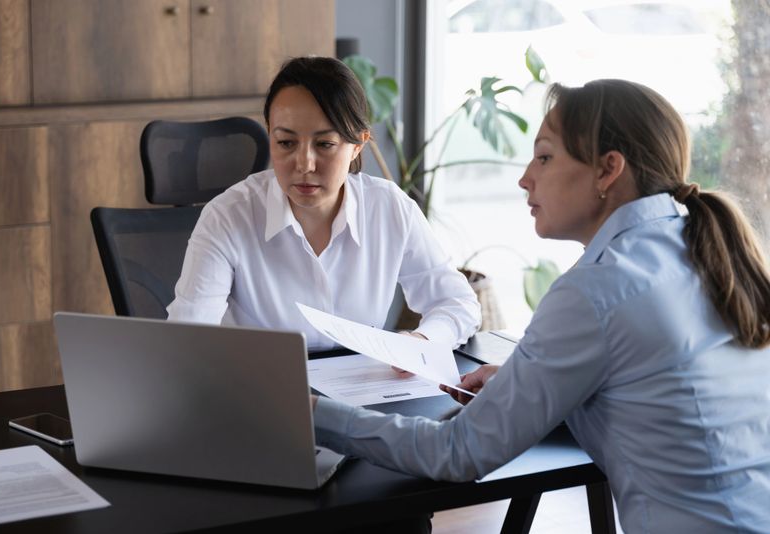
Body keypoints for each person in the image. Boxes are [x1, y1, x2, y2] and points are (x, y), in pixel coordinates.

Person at [313, 79, 770, 532]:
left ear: (607, 170)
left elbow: (456, 452)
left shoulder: (598, 289)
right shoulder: (702, 251)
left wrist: (312, 413)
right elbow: (651, 388)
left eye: (545, 157)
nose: (525, 177)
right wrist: (530, 379)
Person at [166, 56, 480, 350]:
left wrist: (422, 341)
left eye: (325, 144)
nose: (304, 164)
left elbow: (457, 304)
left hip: (362, 394)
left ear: (358, 145)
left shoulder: (389, 209)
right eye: (286, 142)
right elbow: (187, 337)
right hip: (262, 395)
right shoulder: (229, 216)